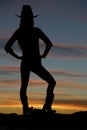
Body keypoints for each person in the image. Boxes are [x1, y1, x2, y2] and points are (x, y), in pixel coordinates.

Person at [4, 5, 56, 114]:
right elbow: (49, 44)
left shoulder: (19, 32)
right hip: (36, 63)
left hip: (26, 63)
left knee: (24, 86)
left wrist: (18, 57)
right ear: (32, 18)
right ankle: (46, 106)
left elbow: (7, 47)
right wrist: (43, 55)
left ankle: (26, 109)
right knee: (51, 82)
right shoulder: (35, 31)